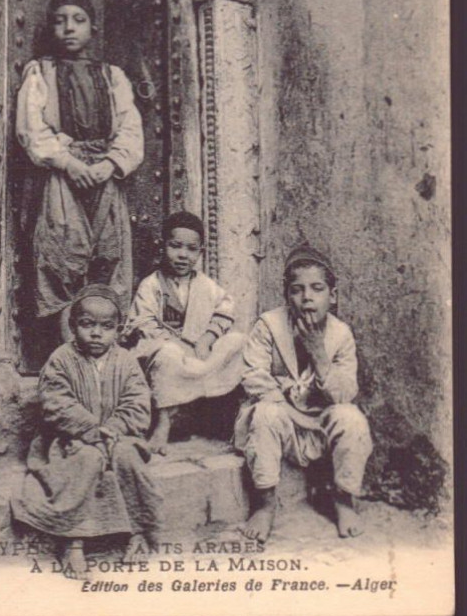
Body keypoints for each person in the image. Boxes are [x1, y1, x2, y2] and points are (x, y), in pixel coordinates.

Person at [16, 0, 144, 342]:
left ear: (93, 28)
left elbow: (130, 128)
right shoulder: (40, 73)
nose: (69, 28)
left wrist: (111, 164)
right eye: (59, 21)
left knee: (108, 256)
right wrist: (68, 163)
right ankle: (68, 356)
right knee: (62, 260)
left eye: (78, 20)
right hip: (62, 180)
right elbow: (32, 128)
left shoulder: (112, 76)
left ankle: (106, 359)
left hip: (104, 178)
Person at [11, 285, 162, 579]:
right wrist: (91, 429)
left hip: (119, 437)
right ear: (72, 325)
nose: (96, 333)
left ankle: (137, 532)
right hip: (71, 439)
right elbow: (56, 402)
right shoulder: (61, 359)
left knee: (128, 459)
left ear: (118, 330)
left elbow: (138, 403)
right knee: (87, 460)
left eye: (106, 327)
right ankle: (73, 540)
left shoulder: (126, 361)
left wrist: (114, 428)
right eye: (87, 324)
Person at [235, 243, 373, 542]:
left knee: (351, 418)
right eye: (297, 290)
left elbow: (344, 392)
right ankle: (266, 504)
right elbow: (253, 376)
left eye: (317, 288)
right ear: (287, 296)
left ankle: (343, 499)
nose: (307, 297)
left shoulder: (340, 334)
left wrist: (319, 355)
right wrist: (285, 400)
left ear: (332, 296)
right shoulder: (269, 326)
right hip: (281, 423)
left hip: (319, 426)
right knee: (265, 412)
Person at [124, 211, 245, 452]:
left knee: (238, 341)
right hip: (168, 352)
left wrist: (207, 338)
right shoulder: (152, 284)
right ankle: (163, 425)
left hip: (199, 352)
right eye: (175, 246)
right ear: (163, 247)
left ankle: (230, 419)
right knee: (167, 354)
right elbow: (144, 323)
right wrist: (178, 345)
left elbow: (225, 309)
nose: (182, 255)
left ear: (200, 253)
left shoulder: (206, 285)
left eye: (191, 249)